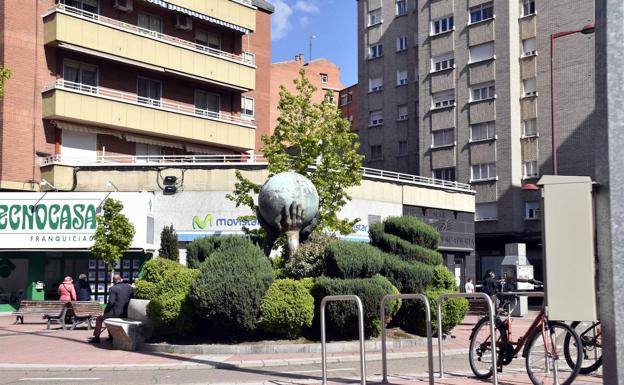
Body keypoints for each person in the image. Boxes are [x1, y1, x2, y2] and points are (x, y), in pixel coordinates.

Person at [89, 274, 133, 343]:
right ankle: (111, 336)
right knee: (108, 315)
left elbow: (111, 302)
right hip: (127, 313)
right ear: (121, 279)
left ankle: (96, 337)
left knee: (99, 318)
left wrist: (105, 311)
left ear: (114, 281)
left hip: (117, 313)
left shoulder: (113, 288)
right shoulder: (130, 288)